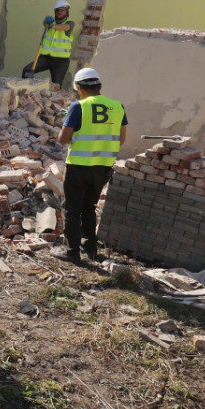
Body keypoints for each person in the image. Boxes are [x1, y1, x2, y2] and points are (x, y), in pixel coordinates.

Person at [54, 67, 127, 263]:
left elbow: (63, 139)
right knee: (89, 207)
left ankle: (72, 253)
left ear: (79, 88)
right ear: (99, 86)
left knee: (71, 208)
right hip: (103, 168)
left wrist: (64, 126)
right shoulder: (118, 106)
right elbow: (121, 139)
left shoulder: (78, 107)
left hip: (79, 166)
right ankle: (91, 249)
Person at [25, 1, 74, 89]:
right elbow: (45, 24)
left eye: (62, 10)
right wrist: (46, 23)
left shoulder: (70, 23)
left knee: (56, 85)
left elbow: (65, 27)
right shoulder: (50, 23)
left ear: (67, 12)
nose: (59, 12)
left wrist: (52, 26)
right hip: (46, 58)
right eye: (57, 10)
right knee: (27, 70)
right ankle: (24, 92)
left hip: (61, 61)